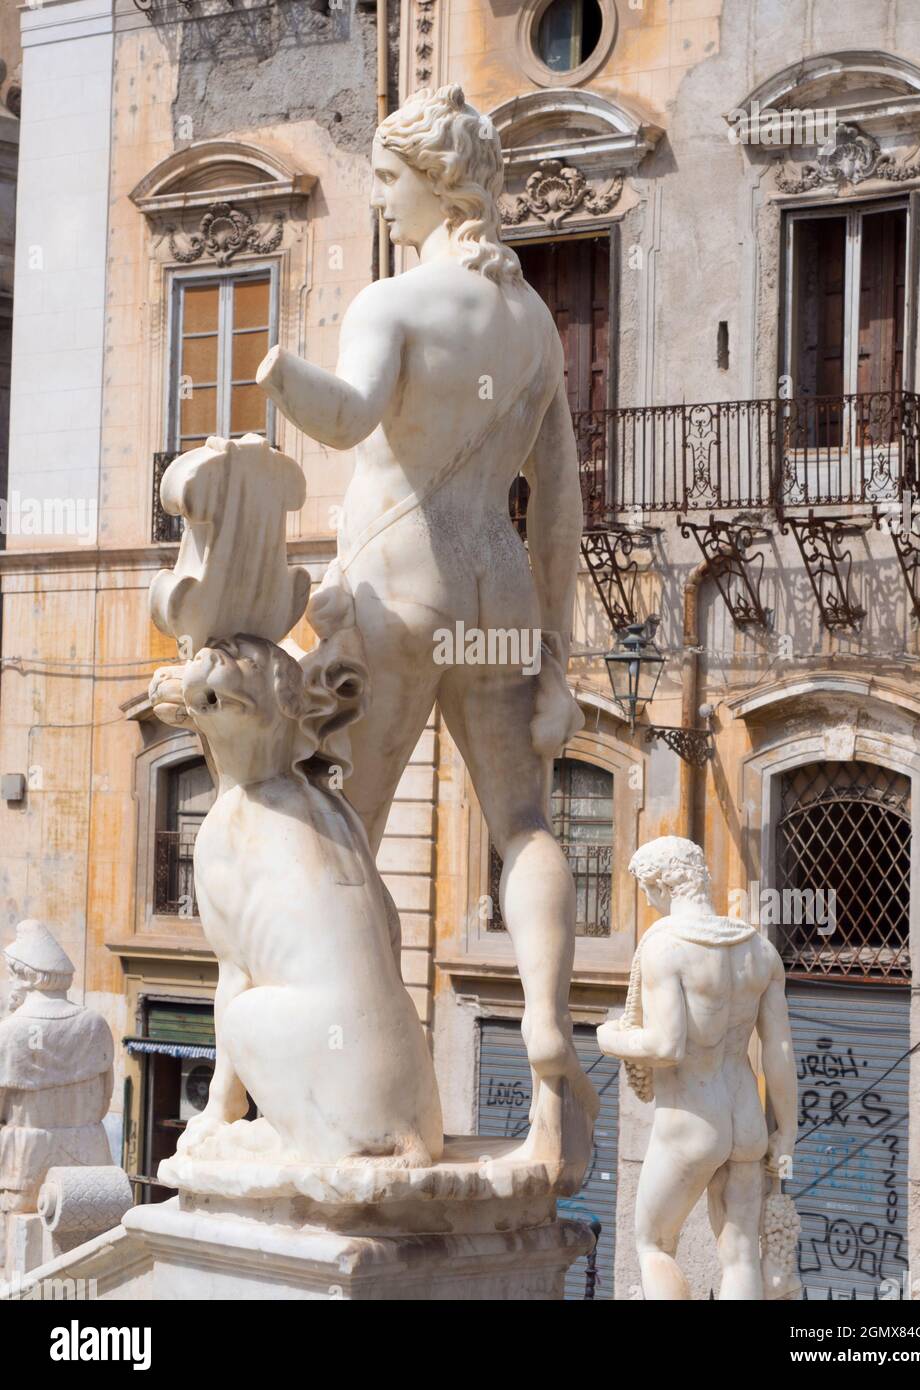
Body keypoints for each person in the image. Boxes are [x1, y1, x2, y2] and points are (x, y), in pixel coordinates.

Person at [257, 83, 596, 1173]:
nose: (384, 200)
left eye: (392, 180)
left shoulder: (392, 304)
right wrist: (554, 646)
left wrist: (277, 375)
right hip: (495, 587)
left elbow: (349, 417)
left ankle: (339, 1081)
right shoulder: (535, 322)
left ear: (435, 182)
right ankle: (547, 1031)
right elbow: (556, 509)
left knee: (342, 831)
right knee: (525, 827)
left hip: (397, 589)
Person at [597, 837, 798, 1299]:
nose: (647, 901)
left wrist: (611, 1038)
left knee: (654, 1243)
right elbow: (779, 1051)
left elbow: (666, 1046)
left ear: (661, 883)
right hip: (746, 1117)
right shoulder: (759, 950)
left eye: (646, 890)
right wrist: (785, 1129)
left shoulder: (665, 946)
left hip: (691, 1122)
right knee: (743, 1252)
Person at [0, 921, 113, 1213]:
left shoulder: (10, 1031)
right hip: (88, 1154)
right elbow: (104, 1097)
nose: (11, 982)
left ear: (27, 978)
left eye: (12, 974)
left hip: (26, 1160)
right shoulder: (94, 1024)